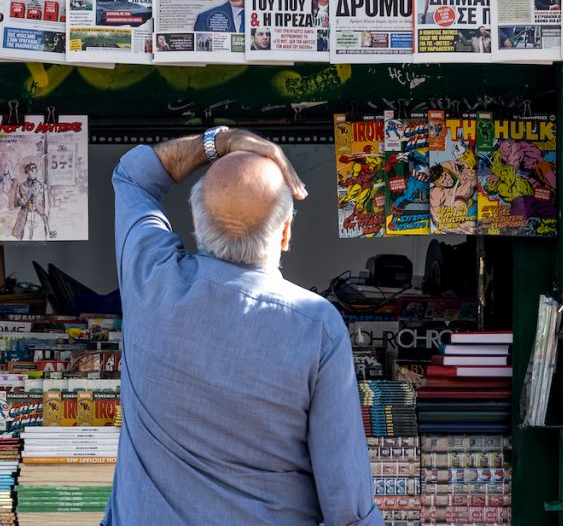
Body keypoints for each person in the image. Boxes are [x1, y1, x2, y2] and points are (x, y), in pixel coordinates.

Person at [103, 128, 381, 525]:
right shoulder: (316, 328)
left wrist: (221, 141)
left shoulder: (150, 281)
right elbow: (349, 512)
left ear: (197, 224)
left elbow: (134, 176)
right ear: (286, 233)